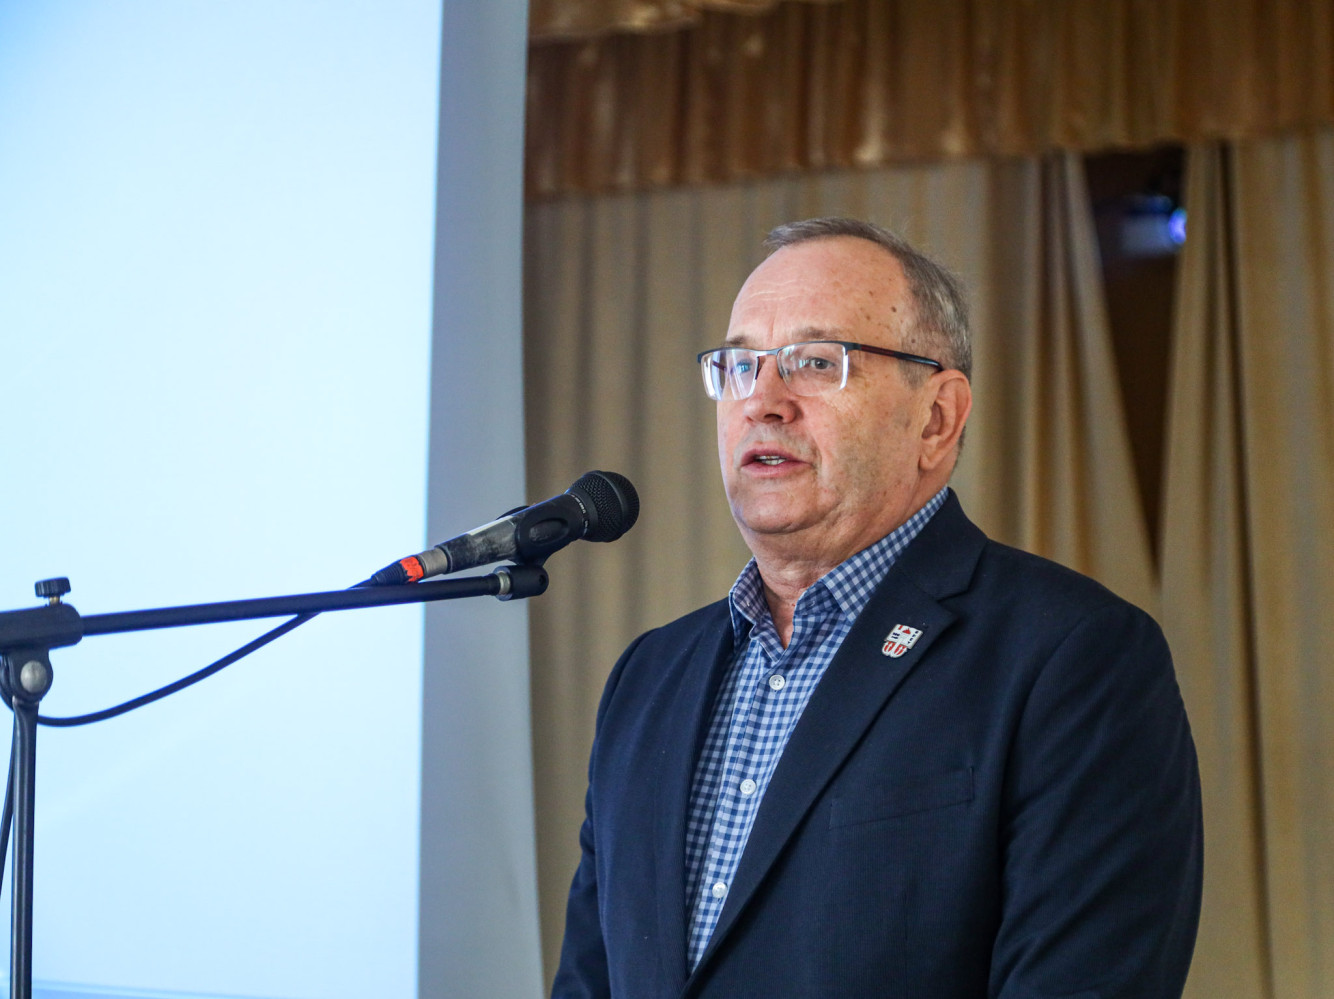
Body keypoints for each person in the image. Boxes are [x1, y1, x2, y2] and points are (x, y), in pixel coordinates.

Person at [552, 218, 1203, 998]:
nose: (762, 401)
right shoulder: (648, 677)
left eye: (815, 362)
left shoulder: (1074, 656)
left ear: (937, 418)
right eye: (740, 366)